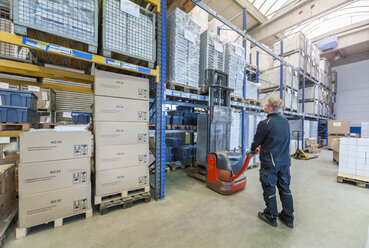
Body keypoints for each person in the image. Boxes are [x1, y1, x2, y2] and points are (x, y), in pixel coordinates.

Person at [248, 97, 294, 228]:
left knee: (269, 188)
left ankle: (271, 216)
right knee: (285, 188)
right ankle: (288, 217)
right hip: (285, 162)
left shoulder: (265, 123)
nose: (264, 105)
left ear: (270, 108)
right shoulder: (285, 122)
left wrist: (251, 151)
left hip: (271, 163)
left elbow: (257, 141)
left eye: (266, 104)